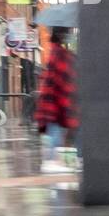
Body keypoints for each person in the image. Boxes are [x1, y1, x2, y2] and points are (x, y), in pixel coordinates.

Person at [35, 27, 79, 171]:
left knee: (56, 135)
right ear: (63, 35)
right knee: (57, 136)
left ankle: (54, 161)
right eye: (69, 33)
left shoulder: (57, 52)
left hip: (52, 106)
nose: (71, 36)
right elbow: (63, 82)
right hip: (56, 106)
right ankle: (53, 162)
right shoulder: (60, 54)